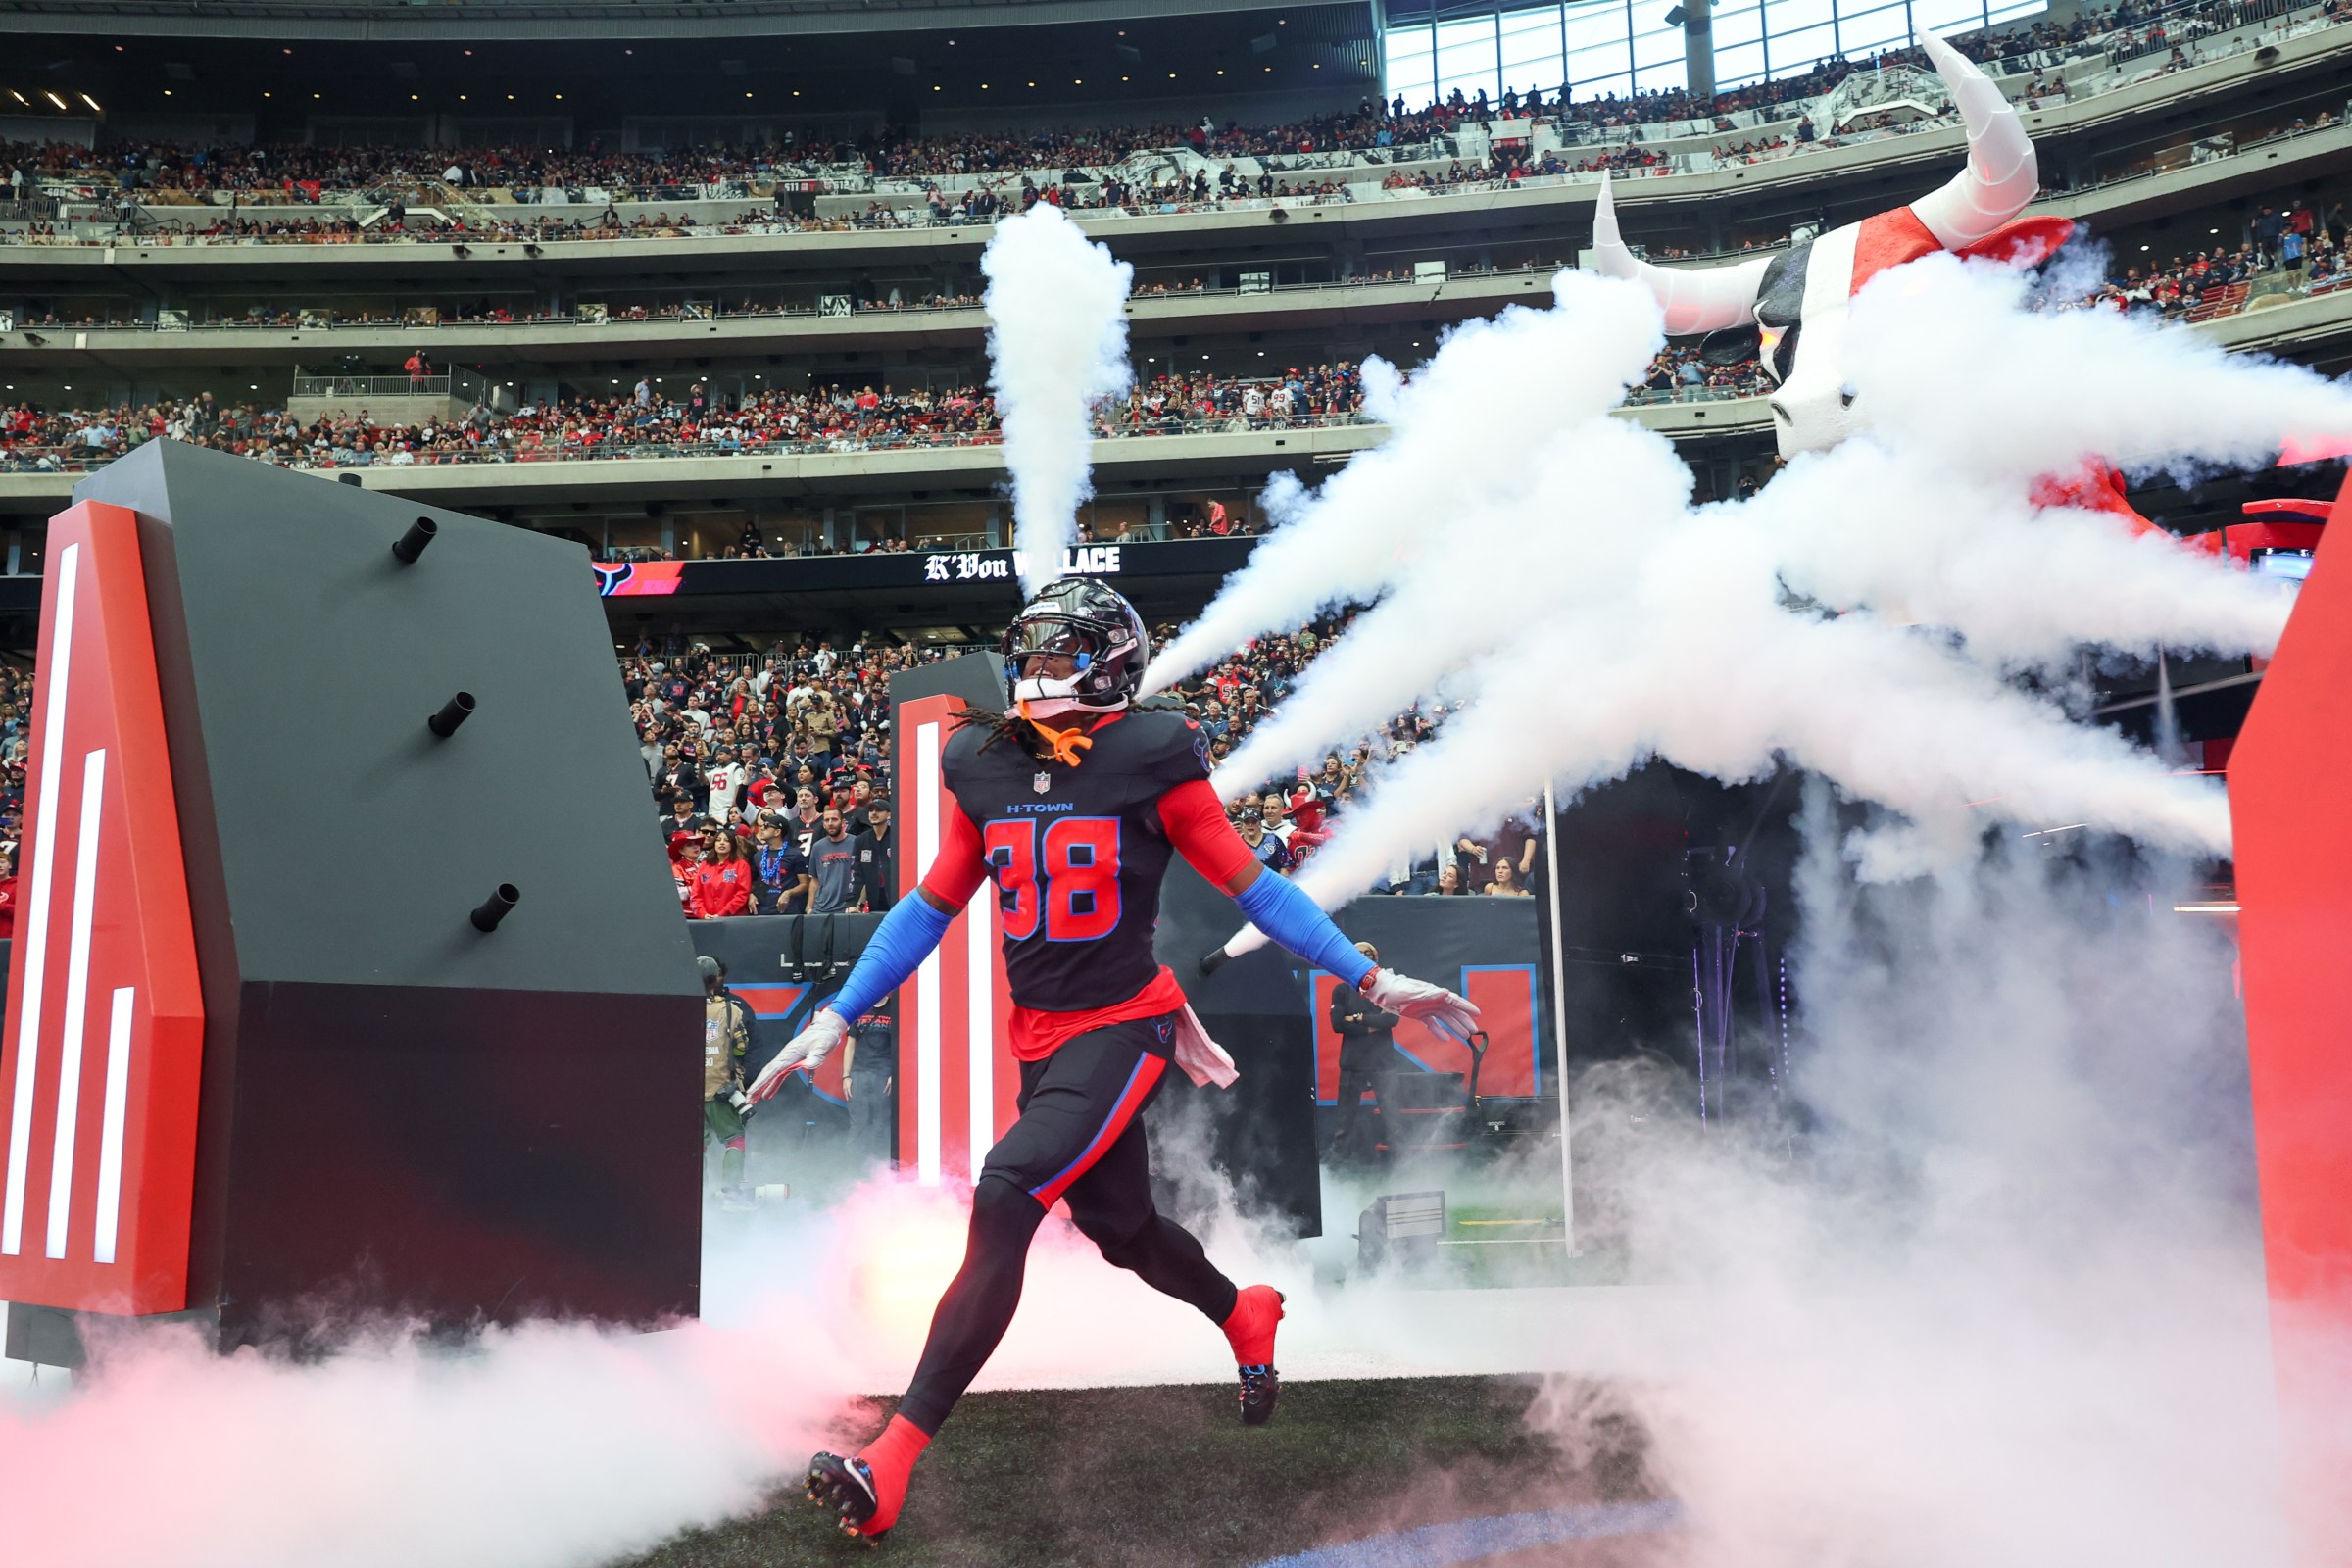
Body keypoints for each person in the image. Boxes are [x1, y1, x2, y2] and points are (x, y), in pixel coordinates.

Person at [746, 577, 1478, 1542]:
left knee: (1006, 1189)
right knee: (1122, 1228)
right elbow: (927, 907)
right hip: (1041, 1037)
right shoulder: (986, 765)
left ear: (1109, 664)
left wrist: (1371, 977)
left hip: (1124, 1022)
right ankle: (1242, 1309)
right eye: (1032, 649)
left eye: (1056, 651)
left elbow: (1259, 890)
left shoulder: (1153, 758)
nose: (1034, 668)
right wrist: (840, 1012)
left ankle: (890, 1462)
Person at [1325, 941, 1400, 1164]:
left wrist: (1357, 1019)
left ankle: (1401, 1166)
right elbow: (1338, 1024)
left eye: (1369, 953)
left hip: (1383, 1063)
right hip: (1352, 1063)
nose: (1364, 957)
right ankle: (1339, 1168)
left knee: (1393, 1118)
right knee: (1344, 1123)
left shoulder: (1389, 988)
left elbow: (1392, 1019)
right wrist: (1373, 1026)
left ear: (1376, 959)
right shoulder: (1341, 989)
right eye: (1358, 953)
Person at [700, 955, 755, 1208]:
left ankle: (697, 1195)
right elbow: (742, 1047)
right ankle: (731, 1191)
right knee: (735, 1138)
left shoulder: (681, 1006)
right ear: (716, 980)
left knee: (697, 1146)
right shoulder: (731, 1009)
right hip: (722, 1089)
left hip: (691, 1089)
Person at [753, 809, 813, 914]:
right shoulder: (758, 855)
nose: (762, 828)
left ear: (777, 832)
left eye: (767, 826)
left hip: (786, 911)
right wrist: (751, 894)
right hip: (762, 911)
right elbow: (755, 881)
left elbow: (804, 885)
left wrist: (788, 892)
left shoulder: (795, 854)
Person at [690, 827, 755, 919]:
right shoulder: (705, 865)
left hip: (733, 920)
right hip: (706, 920)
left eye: (727, 840)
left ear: (732, 844)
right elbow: (695, 893)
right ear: (714, 844)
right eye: (718, 840)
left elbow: (742, 894)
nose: (722, 843)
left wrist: (722, 914)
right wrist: (702, 913)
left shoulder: (742, 865)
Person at [808, 807, 859, 914]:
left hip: (847, 909)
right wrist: (809, 907)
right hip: (820, 909)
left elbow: (864, 877)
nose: (830, 823)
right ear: (823, 824)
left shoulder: (856, 842)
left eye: (834, 819)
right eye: (827, 820)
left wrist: (858, 904)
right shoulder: (818, 847)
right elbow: (815, 880)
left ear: (843, 822)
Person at [851, 798, 896, 911]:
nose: (874, 813)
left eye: (879, 810)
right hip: (874, 898)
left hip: (896, 896)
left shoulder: (897, 837)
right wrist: (852, 903)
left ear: (889, 815)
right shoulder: (861, 840)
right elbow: (857, 874)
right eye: (871, 811)